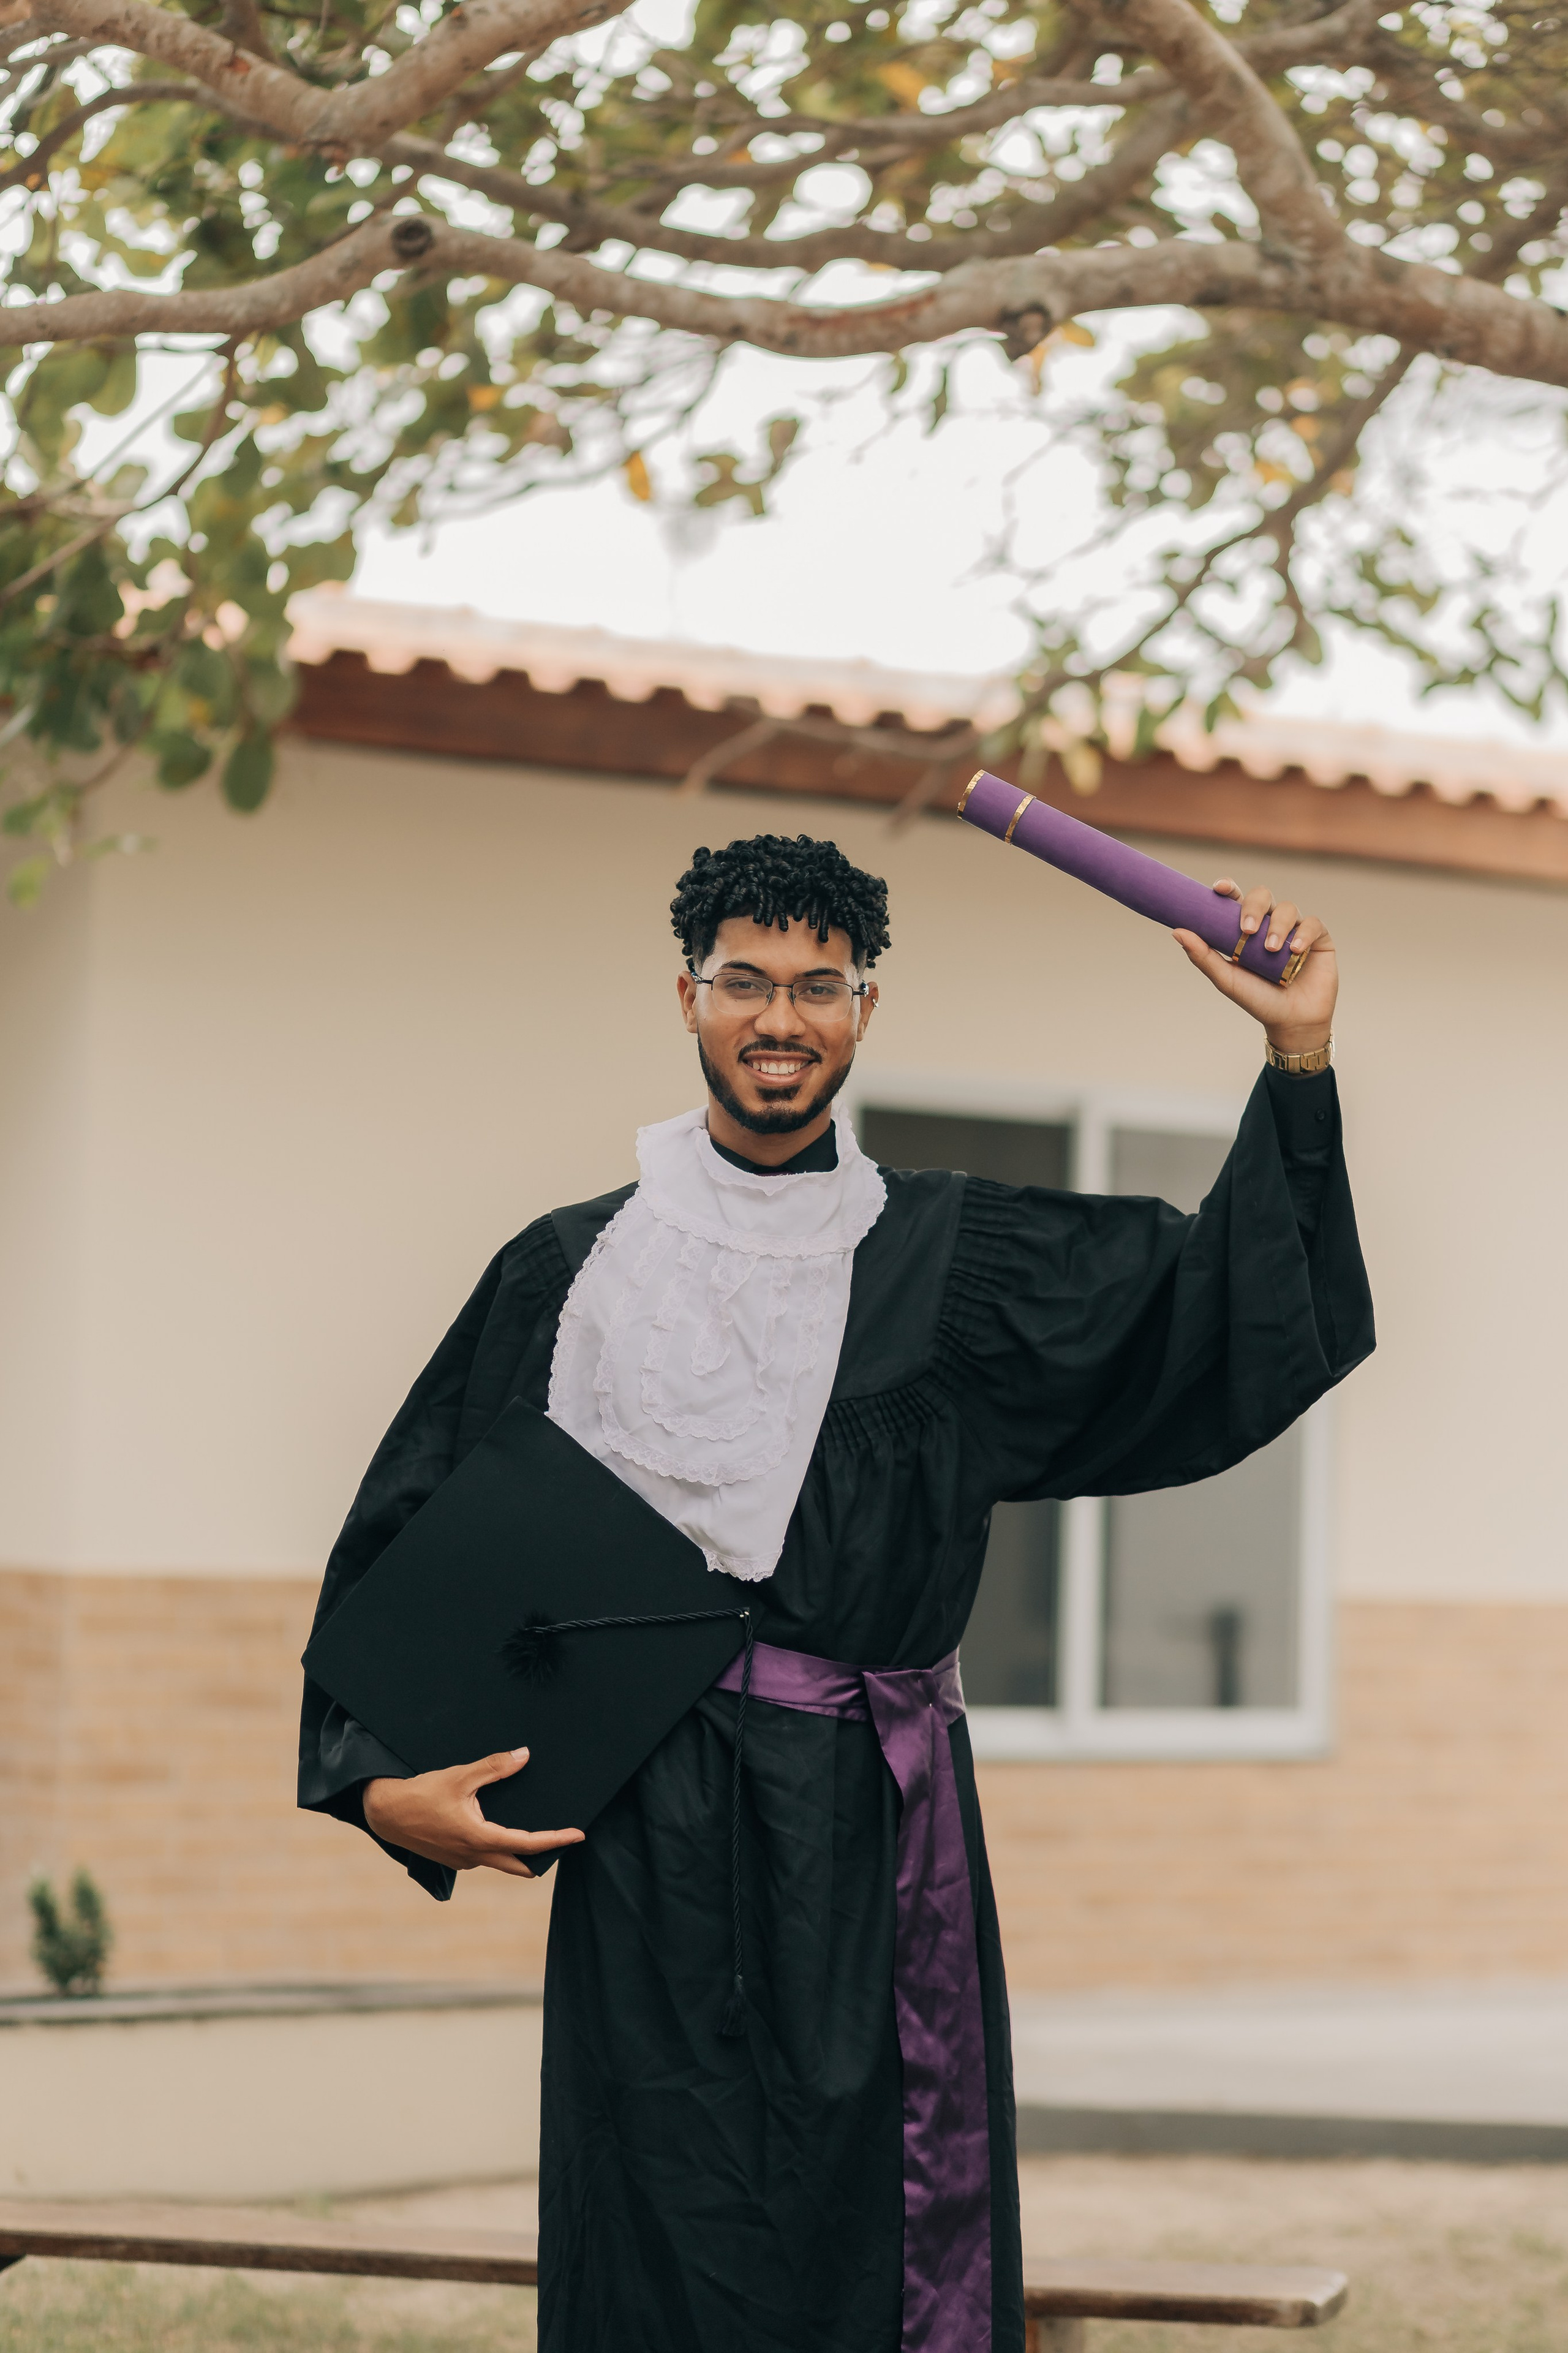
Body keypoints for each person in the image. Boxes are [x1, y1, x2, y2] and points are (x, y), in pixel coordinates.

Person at [299, 830, 1372, 2353]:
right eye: (745, 980)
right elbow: (409, 1545)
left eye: (818, 985)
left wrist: (1300, 1054)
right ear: (687, 996)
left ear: (864, 1009)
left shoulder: (956, 1261)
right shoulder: (568, 1271)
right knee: (657, 2229)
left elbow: (1222, 1315)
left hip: (872, 1835)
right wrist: (372, 1786)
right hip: (649, 1846)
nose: (779, 1018)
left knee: (875, 2247)